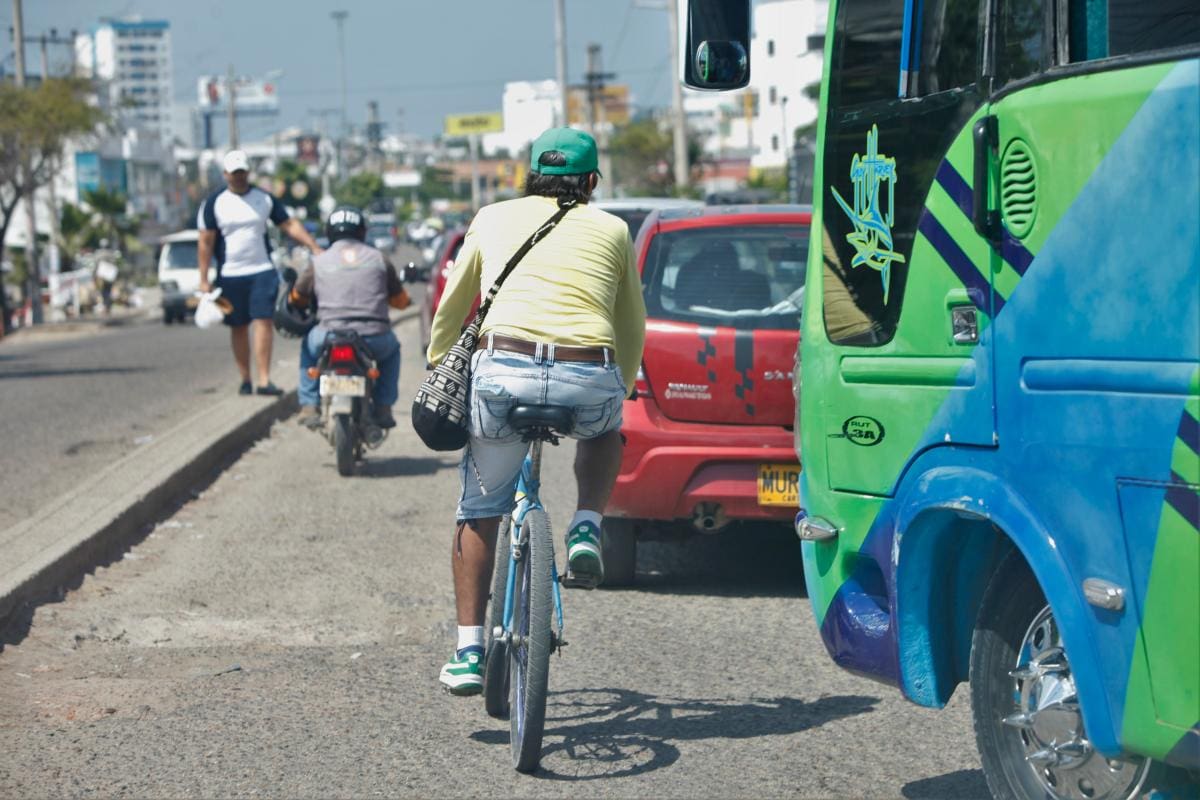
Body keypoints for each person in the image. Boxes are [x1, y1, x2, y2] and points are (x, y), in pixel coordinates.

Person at [427, 127, 646, 695]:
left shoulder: (492, 216)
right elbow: (630, 324)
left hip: (503, 371)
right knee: (604, 431)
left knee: (479, 508)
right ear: (592, 181)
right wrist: (621, 381)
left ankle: (469, 651)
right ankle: (586, 527)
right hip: (586, 368)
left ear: (530, 174)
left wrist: (438, 364)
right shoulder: (614, 229)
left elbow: (454, 304)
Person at [197, 150, 324, 395]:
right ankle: (245, 378)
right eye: (234, 174)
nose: (239, 177)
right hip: (230, 273)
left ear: (248, 173)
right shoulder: (214, 203)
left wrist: (313, 246)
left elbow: (288, 224)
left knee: (264, 321)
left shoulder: (263, 199)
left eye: (243, 172)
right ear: (225, 175)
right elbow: (205, 241)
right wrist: (203, 278)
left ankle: (264, 379)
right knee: (239, 326)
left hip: (261, 270)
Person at [288, 205, 411, 429]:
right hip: (374, 337)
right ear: (362, 231)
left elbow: (298, 297)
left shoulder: (319, 262)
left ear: (330, 232)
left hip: (329, 334)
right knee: (392, 351)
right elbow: (400, 301)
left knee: (308, 346)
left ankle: (308, 404)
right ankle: (383, 407)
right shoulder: (379, 259)